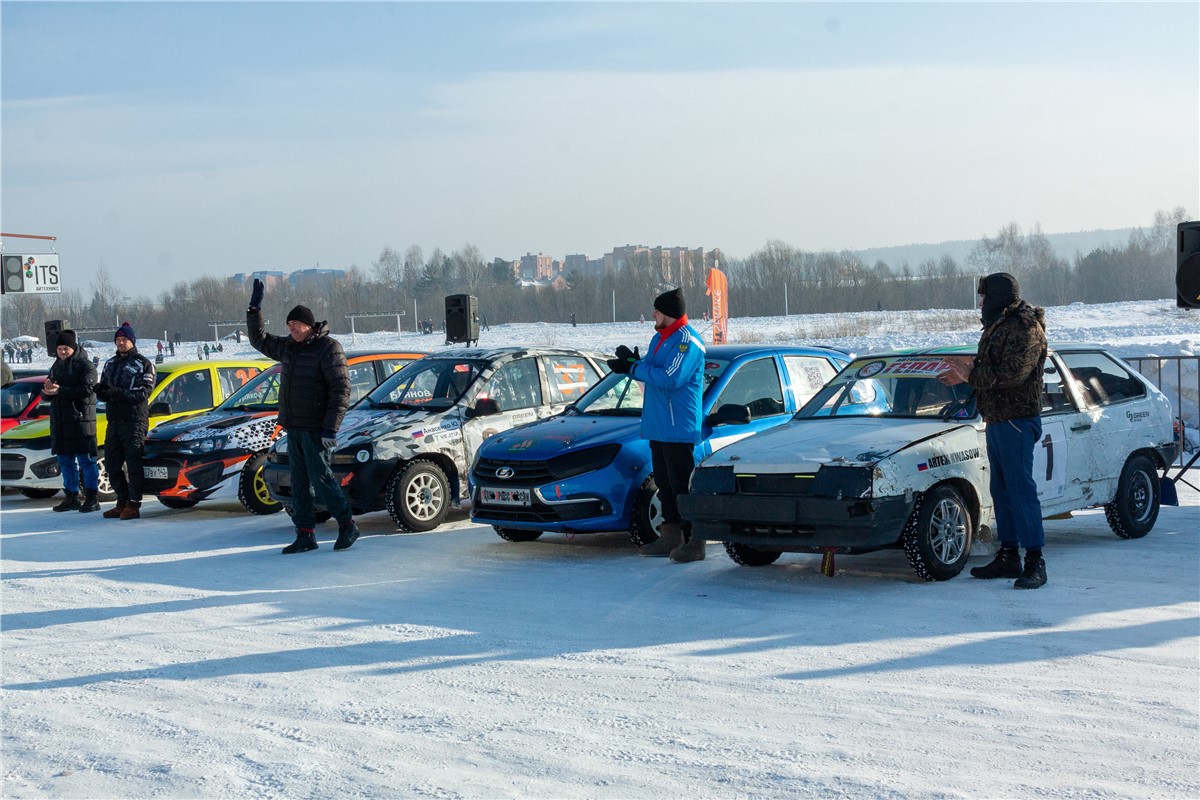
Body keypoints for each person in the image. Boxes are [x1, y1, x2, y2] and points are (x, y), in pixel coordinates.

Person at [939, 272, 1049, 589]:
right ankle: (1009, 555)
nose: (981, 303)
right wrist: (965, 371)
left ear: (1000, 296)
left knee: (1021, 490)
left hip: (1016, 419)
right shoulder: (998, 325)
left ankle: (1035, 561)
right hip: (998, 419)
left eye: (985, 297)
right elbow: (992, 366)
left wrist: (970, 374)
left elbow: (1012, 373)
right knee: (1001, 490)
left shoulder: (1025, 327)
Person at [246, 279, 360, 554]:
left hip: (317, 428)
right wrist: (254, 309)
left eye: (296, 325)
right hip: (294, 426)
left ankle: (347, 525)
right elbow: (258, 339)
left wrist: (330, 429)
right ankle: (305, 534)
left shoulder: (328, 348)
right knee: (298, 483)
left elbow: (341, 389)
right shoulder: (289, 347)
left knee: (321, 479)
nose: (292, 329)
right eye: (289, 326)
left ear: (309, 325)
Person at [608, 287, 706, 562]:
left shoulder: (688, 342)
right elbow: (649, 370)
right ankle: (670, 537)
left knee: (682, 486)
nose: (653, 314)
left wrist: (634, 368)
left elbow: (671, 377)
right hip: (658, 425)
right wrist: (630, 362)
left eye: (657, 310)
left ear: (670, 314)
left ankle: (696, 542)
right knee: (665, 485)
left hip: (678, 428)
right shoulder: (659, 338)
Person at [95, 322, 156, 520]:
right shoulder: (110, 364)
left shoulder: (144, 364)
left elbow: (143, 393)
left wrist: (116, 392)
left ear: (132, 341)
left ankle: (134, 503)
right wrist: (101, 392)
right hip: (114, 421)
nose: (121, 343)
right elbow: (106, 389)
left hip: (134, 421)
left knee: (133, 464)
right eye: (118, 340)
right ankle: (121, 501)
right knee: (112, 464)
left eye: (124, 339)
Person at [42, 330, 102, 513]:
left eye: (65, 348)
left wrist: (61, 390)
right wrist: (46, 392)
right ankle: (72, 496)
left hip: (80, 421)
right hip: (60, 422)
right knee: (65, 461)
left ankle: (92, 497)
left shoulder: (85, 366)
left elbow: (87, 389)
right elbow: (49, 391)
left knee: (86, 461)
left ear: (73, 348)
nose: (61, 352)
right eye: (59, 348)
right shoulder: (56, 366)